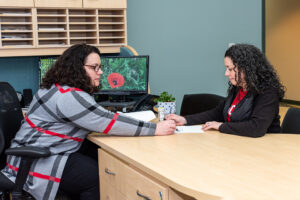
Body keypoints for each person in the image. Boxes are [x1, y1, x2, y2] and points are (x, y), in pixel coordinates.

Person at [1, 44, 176, 200]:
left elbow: (98, 117)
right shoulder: (69, 96)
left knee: (99, 155)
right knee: (96, 176)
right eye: (94, 67)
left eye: (100, 67)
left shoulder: (55, 87)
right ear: (77, 68)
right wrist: (154, 128)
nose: (100, 72)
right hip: (36, 160)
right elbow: (107, 121)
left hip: (35, 151)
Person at [166, 43, 285, 138]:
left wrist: (221, 126)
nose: (226, 73)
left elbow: (256, 128)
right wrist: (185, 119)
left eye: (230, 69)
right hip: (238, 143)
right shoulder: (238, 88)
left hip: (265, 148)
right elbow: (218, 112)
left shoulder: (267, 92)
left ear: (246, 69)